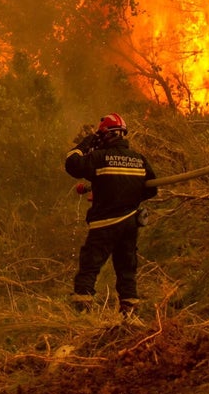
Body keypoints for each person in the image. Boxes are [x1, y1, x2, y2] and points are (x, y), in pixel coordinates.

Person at [64, 113, 156, 314]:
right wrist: (126, 196)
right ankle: (129, 314)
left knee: (90, 266)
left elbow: (72, 164)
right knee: (126, 270)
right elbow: (151, 189)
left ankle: (82, 311)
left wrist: (86, 142)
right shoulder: (139, 160)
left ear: (105, 136)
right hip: (130, 223)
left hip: (104, 225)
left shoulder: (100, 157)